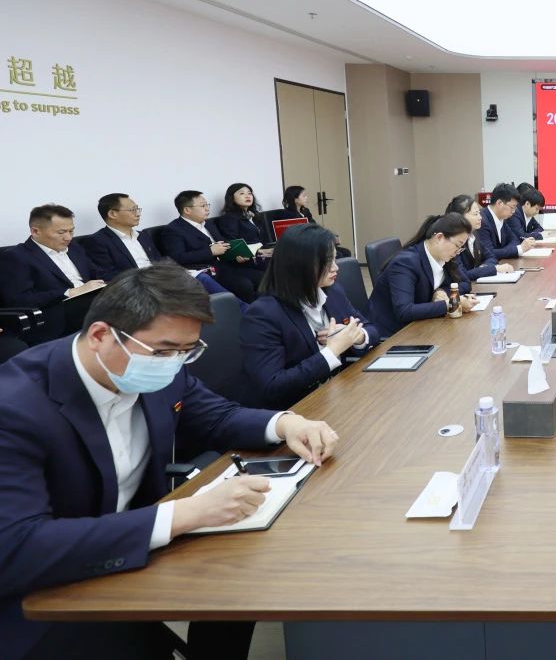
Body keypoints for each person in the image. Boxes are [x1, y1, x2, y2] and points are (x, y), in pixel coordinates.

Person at [0, 264, 339, 660]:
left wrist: (286, 423)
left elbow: (216, 417)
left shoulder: (155, 367)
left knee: (248, 574)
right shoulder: (15, 407)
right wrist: (186, 514)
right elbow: (16, 548)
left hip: (136, 549)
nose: (173, 363)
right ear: (100, 335)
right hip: (45, 592)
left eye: (186, 351)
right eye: (163, 351)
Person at [240, 224, 377, 410]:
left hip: (337, 394)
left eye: (335, 258)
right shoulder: (263, 314)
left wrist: (355, 336)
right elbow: (272, 386)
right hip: (298, 410)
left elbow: (370, 328)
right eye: (327, 261)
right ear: (299, 265)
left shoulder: (332, 291)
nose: (335, 267)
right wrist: (332, 351)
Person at [83, 193, 240, 306]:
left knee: (202, 279)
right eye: (132, 210)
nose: (138, 213)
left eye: (138, 209)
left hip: (161, 277)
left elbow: (159, 260)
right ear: (112, 214)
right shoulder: (98, 241)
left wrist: (175, 271)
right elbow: (107, 275)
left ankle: (237, 312)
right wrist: (149, 277)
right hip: (140, 284)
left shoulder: (142, 235)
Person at [0, 204, 107, 341]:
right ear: (35, 231)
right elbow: (19, 300)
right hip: (55, 314)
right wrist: (69, 292)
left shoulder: (74, 247)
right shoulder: (16, 257)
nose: (68, 237)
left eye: (71, 231)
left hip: (91, 303)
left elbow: (97, 273)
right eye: (61, 232)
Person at [369, 213, 480, 336]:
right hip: (395, 333)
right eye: (457, 245)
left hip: (422, 324)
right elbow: (404, 311)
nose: (458, 252)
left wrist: (441, 291)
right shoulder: (405, 263)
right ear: (439, 238)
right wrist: (452, 303)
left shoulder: (443, 257)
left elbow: (465, 283)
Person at [158, 191, 260, 303]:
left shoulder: (208, 224)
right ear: (187, 210)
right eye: (203, 206)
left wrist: (237, 254)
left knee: (262, 277)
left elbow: (222, 243)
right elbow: (177, 257)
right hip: (208, 272)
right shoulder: (173, 230)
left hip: (228, 265)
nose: (207, 209)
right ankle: (249, 310)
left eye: (207, 205)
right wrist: (210, 251)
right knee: (244, 285)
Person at [446, 194, 515, 281]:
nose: (480, 217)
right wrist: (493, 269)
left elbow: (491, 257)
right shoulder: (452, 242)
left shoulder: (474, 234)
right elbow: (463, 275)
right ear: (460, 217)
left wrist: (483, 268)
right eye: (476, 214)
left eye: (479, 213)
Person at [281, 186, 351, 257]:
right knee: (338, 255)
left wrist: (330, 237)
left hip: (314, 243)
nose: (307, 198)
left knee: (346, 252)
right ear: (295, 199)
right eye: (304, 196)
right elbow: (297, 236)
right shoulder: (287, 215)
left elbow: (315, 227)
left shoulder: (305, 211)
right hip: (304, 247)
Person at [213, 183, 273, 260]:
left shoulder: (254, 215)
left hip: (264, 254)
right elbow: (233, 244)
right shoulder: (228, 218)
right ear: (232, 198)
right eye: (242, 193)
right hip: (249, 257)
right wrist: (258, 252)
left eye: (249, 193)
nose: (247, 196)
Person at [476, 183, 537, 260]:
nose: (514, 211)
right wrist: (518, 249)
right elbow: (488, 253)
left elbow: (514, 240)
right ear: (499, 203)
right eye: (512, 207)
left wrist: (506, 251)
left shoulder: (502, 218)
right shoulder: (481, 220)